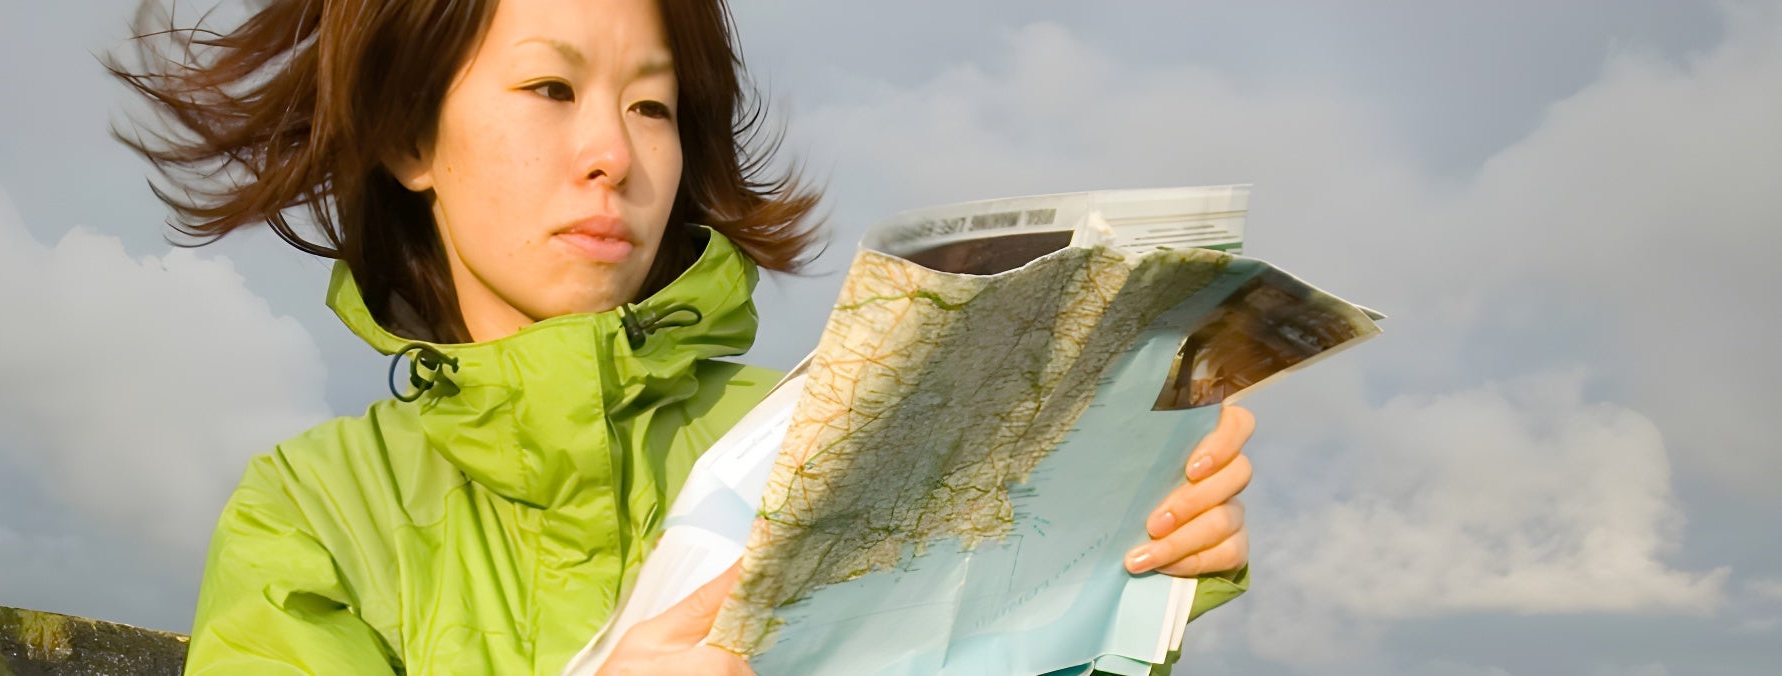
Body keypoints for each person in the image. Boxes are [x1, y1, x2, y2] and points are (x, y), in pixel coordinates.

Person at [111, 0, 1255, 673]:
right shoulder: (307, 513)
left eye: (653, 105)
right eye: (551, 89)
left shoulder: (817, 429)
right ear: (412, 140)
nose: (614, 151)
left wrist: (1123, 570)